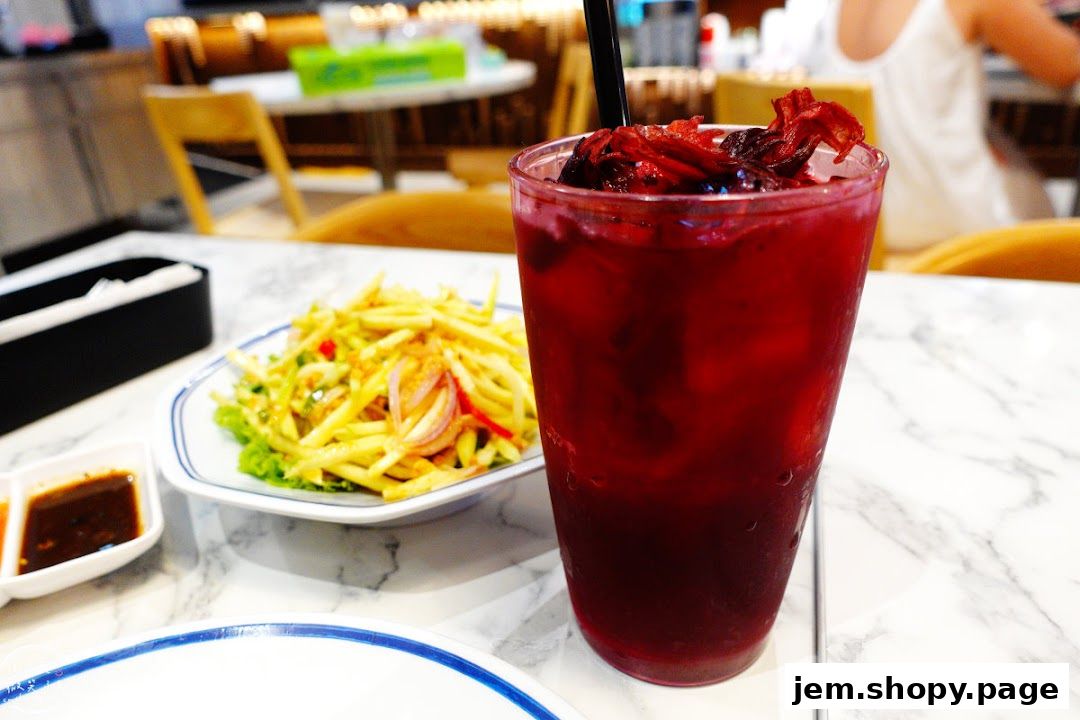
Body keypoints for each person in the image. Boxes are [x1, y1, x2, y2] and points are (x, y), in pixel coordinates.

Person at [812, 0, 1080, 253]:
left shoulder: (826, 10)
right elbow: (1066, 63)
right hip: (962, 232)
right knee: (1041, 196)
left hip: (869, 229)